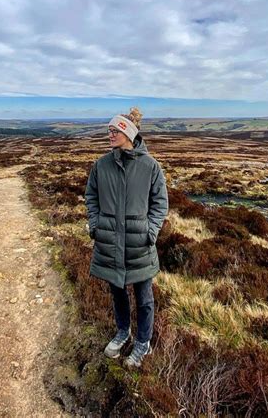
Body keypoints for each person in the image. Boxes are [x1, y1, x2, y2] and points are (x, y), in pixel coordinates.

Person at [84, 107, 169, 368]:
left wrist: (150, 231)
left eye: (114, 131)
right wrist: (96, 225)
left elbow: (160, 203)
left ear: (128, 133)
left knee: (144, 298)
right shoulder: (101, 166)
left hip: (138, 244)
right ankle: (123, 332)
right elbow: (91, 198)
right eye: (108, 130)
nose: (109, 135)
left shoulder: (150, 166)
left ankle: (143, 342)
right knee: (117, 293)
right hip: (110, 242)